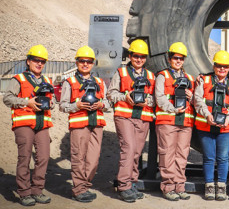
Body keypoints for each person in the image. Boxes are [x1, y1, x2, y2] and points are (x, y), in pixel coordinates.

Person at [3, 45, 55, 206]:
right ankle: (24, 192)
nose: (39, 64)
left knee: (44, 157)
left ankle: (37, 190)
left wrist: (51, 104)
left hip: (42, 124)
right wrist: (27, 102)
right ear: (28, 61)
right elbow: (7, 98)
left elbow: (51, 101)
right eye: (36, 60)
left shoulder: (47, 80)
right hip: (24, 123)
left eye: (42, 61)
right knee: (24, 158)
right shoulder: (18, 79)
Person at [59, 46, 110, 203]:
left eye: (88, 61)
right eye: (82, 61)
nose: (85, 64)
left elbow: (108, 103)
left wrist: (101, 105)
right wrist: (78, 105)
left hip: (97, 125)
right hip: (79, 124)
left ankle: (85, 186)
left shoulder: (100, 82)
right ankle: (79, 189)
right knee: (78, 157)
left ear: (93, 63)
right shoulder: (70, 82)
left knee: (93, 159)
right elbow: (63, 105)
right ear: (77, 62)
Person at [107, 39, 156, 203]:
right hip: (124, 116)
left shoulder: (150, 76)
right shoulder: (121, 73)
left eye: (142, 57)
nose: (139, 59)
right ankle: (123, 185)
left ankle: (132, 182)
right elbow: (111, 94)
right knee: (128, 148)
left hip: (142, 117)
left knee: (136, 152)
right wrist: (125, 97)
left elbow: (155, 99)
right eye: (136, 56)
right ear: (130, 56)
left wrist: (147, 101)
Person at [193, 50, 229, 201]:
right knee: (209, 158)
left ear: (228, 67)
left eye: (225, 66)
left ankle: (221, 187)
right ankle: (209, 186)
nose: (222, 69)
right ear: (214, 66)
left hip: (225, 127)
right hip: (206, 126)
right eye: (219, 66)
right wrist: (207, 114)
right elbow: (197, 99)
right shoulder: (204, 81)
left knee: (223, 158)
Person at [155, 42, 195, 201]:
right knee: (167, 155)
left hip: (185, 123)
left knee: (182, 155)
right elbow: (159, 97)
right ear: (169, 58)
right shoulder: (162, 76)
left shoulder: (190, 78)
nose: (178, 61)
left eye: (181, 58)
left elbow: (196, 101)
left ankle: (180, 186)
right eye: (175, 58)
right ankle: (168, 187)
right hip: (167, 121)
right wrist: (173, 109)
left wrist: (190, 96)